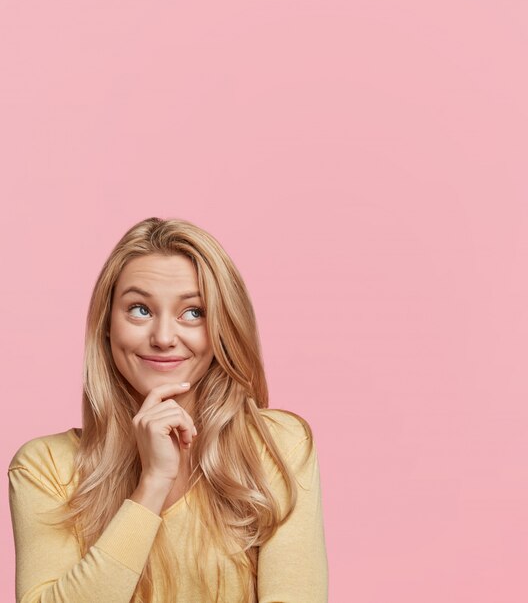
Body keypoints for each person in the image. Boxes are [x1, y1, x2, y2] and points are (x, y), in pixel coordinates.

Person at [8, 217, 328, 603]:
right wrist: (152, 484)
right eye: (139, 309)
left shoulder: (277, 446)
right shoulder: (45, 468)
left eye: (193, 312)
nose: (162, 338)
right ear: (107, 325)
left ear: (223, 326)